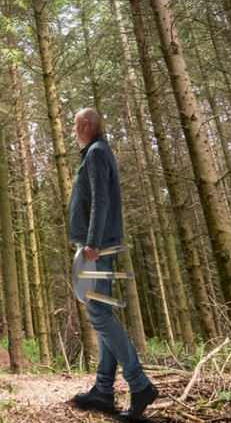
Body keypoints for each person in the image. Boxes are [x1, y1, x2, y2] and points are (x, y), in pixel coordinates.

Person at [69, 108, 158, 420]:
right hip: (100, 244)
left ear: (86, 124)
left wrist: (92, 241)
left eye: (75, 126)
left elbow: (100, 200)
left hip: (100, 246)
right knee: (100, 311)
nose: (73, 131)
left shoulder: (95, 152)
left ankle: (140, 384)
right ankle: (104, 390)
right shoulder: (96, 151)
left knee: (97, 313)